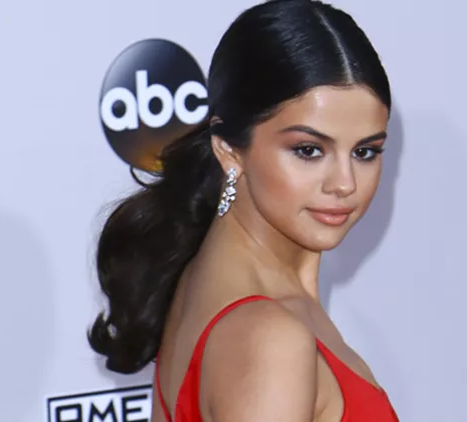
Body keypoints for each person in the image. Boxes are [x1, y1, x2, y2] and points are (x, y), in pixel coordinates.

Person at [88, 0, 398, 420]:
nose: (344, 183)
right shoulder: (268, 338)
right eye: (309, 150)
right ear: (229, 151)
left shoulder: (208, 281)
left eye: (365, 151)